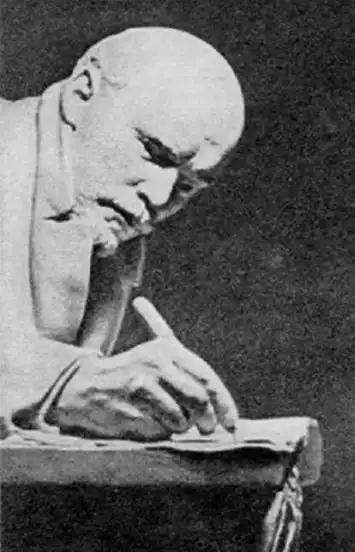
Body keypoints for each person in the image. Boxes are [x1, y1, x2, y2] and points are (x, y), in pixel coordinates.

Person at [0, 27, 245, 441]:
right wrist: (67, 384)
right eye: (154, 152)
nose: (159, 196)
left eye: (187, 185)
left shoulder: (110, 222)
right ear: (81, 94)